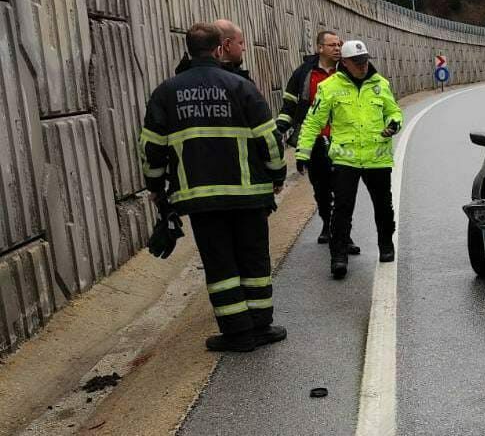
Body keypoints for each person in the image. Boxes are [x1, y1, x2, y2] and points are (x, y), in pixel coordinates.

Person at [140, 22, 288, 352]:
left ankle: (237, 334)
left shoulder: (166, 92)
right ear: (220, 48)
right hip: (248, 194)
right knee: (254, 260)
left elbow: (151, 148)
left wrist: (155, 186)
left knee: (221, 265)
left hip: (200, 198)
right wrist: (277, 175)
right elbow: (270, 138)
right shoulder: (240, 86)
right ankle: (261, 326)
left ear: (188, 49)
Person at [296, 40, 403, 279]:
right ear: (344, 62)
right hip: (346, 160)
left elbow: (394, 111)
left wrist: (393, 124)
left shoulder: (380, 84)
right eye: (357, 62)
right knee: (342, 209)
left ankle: (386, 245)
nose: (363, 65)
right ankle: (339, 257)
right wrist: (303, 153)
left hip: (377, 158)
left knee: (384, 207)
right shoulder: (330, 87)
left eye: (364, 60)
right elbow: (313, 121)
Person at [276, 31, 359, 253]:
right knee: (321, 187)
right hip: (313, 140)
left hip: (342, 139)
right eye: (332, 45)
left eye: (339, 45)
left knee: (342, 188)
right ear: (319, 48)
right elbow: (289, 105)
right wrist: (280, 128)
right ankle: (326, 222)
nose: (337, 48)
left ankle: (343, 234)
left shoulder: (347, 71)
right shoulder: (303, 74)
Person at [173, 19, 250, 80]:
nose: (244, 48)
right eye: (240, 43)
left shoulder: (171, 86)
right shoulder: (240, 84)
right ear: (227, 44)